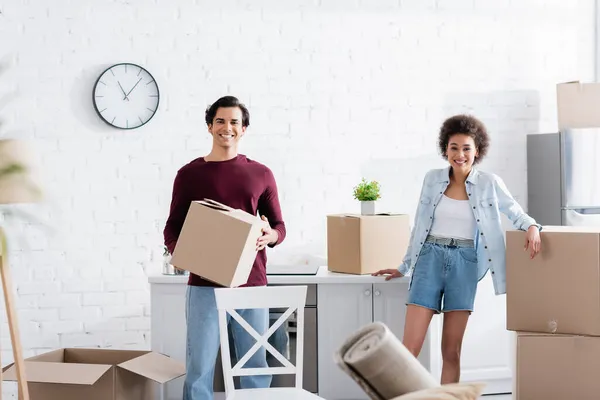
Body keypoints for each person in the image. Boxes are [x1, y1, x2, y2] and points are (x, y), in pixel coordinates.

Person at [372, 114, 542, 384]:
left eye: (466, 148)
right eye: (454, 147)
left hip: (465, 263)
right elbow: (419, 227)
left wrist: (532, 227)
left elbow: (516, 212)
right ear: (445, 149)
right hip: (429, 259)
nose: (459, 154)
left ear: (477, 151)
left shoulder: (489, 183)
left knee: (451, 352)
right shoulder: (432, 179)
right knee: (408, 350)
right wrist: (404, 266)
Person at [163, 96, 286, 400]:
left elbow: (279, 227)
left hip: (251, 283)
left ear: (244, 129)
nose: (226, 127)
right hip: (204, 284)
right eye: (220, 121)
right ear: (209, 126)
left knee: (254, 365)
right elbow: (172, 227)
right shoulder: (190, 174)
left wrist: (269, 235)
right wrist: (184, 254)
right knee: (199, 367)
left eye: (234, 122)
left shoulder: (261, 174)